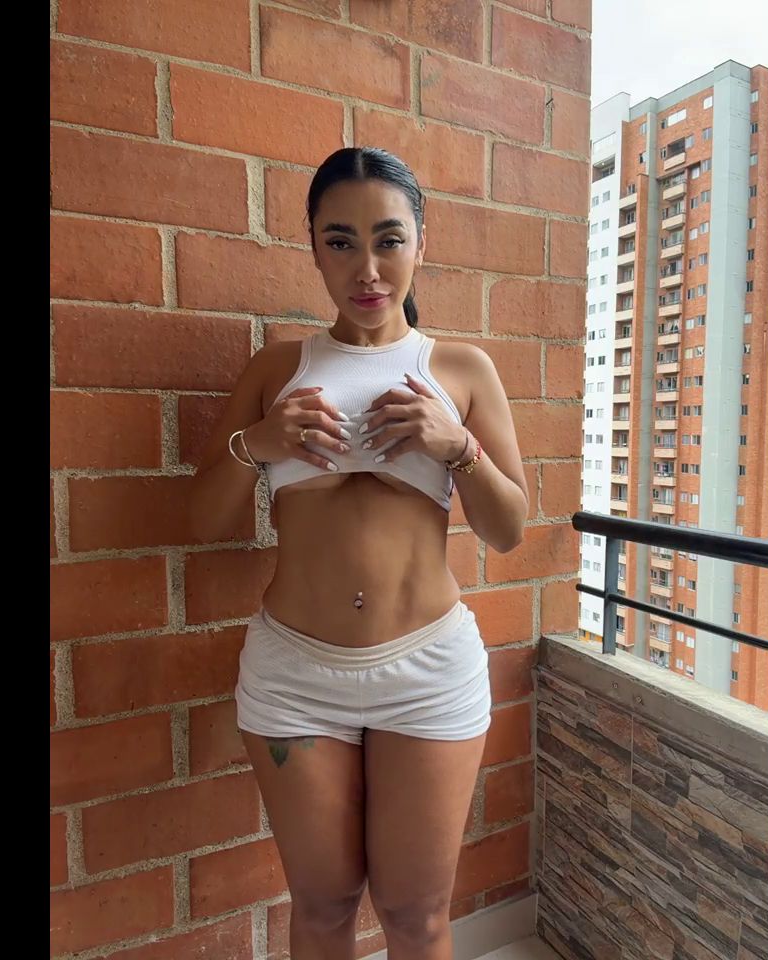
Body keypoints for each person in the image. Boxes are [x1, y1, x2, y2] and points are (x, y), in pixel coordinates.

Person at [189, 147, 528, 960]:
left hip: (429, 674)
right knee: (323, 905)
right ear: (312, 246)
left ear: (420, 243)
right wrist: (256, 443)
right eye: (340, 241)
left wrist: (457, 448)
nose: (367, 268)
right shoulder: (277, 369)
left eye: (388, 239)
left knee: (417, 916)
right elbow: (201, 523)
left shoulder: (460, 370)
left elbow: (509, 528)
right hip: (295, 679)